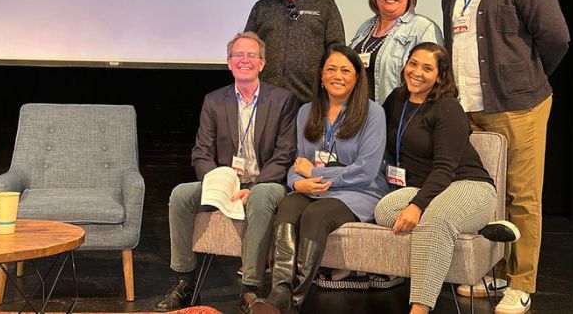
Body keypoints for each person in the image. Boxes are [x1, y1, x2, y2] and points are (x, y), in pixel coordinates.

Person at [442, 0, 569, 313]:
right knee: (487, 197)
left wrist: (524, 79)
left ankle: (521, 282)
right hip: (469, 111)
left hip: (519, 107)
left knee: (523, 196)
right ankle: (495, 270)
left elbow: (556, 38)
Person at [153, 32, 299, 314]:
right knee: (181, 194)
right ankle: (184, 281)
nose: (245, 61)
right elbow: (201, 151)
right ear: (229, 62)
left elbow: (284, 154)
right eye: (238, 55)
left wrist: (254, 185)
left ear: (262, 63)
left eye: (251, 56)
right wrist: (220, 183)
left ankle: (250, 289)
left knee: (260, 196)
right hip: (227, 182)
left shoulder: (283, 100)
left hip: (267, 182)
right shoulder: (214, 100)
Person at [252, 44, 389, 314]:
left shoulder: (374, 114)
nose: (338, 76)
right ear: (322, 76)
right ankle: (280, 292)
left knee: (315, 214)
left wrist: (315, 174)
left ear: (357, 77)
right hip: (314, 189)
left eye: (345, 70)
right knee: (288, 207)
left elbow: (366, 170)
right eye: (331, 69)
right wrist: (295, 183)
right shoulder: (306, 111)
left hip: (360, 192)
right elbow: (298, 161)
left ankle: (294, 301)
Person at [375, 42, 501, 314]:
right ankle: (469, 225)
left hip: (467, 184)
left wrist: (418, 205)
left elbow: (444, 168)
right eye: (413, 63)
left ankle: (419, 309)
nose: (417, 72)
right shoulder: (396, 99)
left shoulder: (447, 107)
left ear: (440, 76)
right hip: (428, 189)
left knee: (434, 221)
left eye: (427, 68)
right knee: (384, 210)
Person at [245, 0, 345, 104]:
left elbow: (337, 53)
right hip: (266, 102)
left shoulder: (325, 5)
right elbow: (248, 50)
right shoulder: (262, 7)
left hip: (311, 104)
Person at [349, 0, 443, 104]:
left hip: (400, 118)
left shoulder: (423, 28)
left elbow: (434, 82)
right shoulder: (365, 27)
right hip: (361, 117)